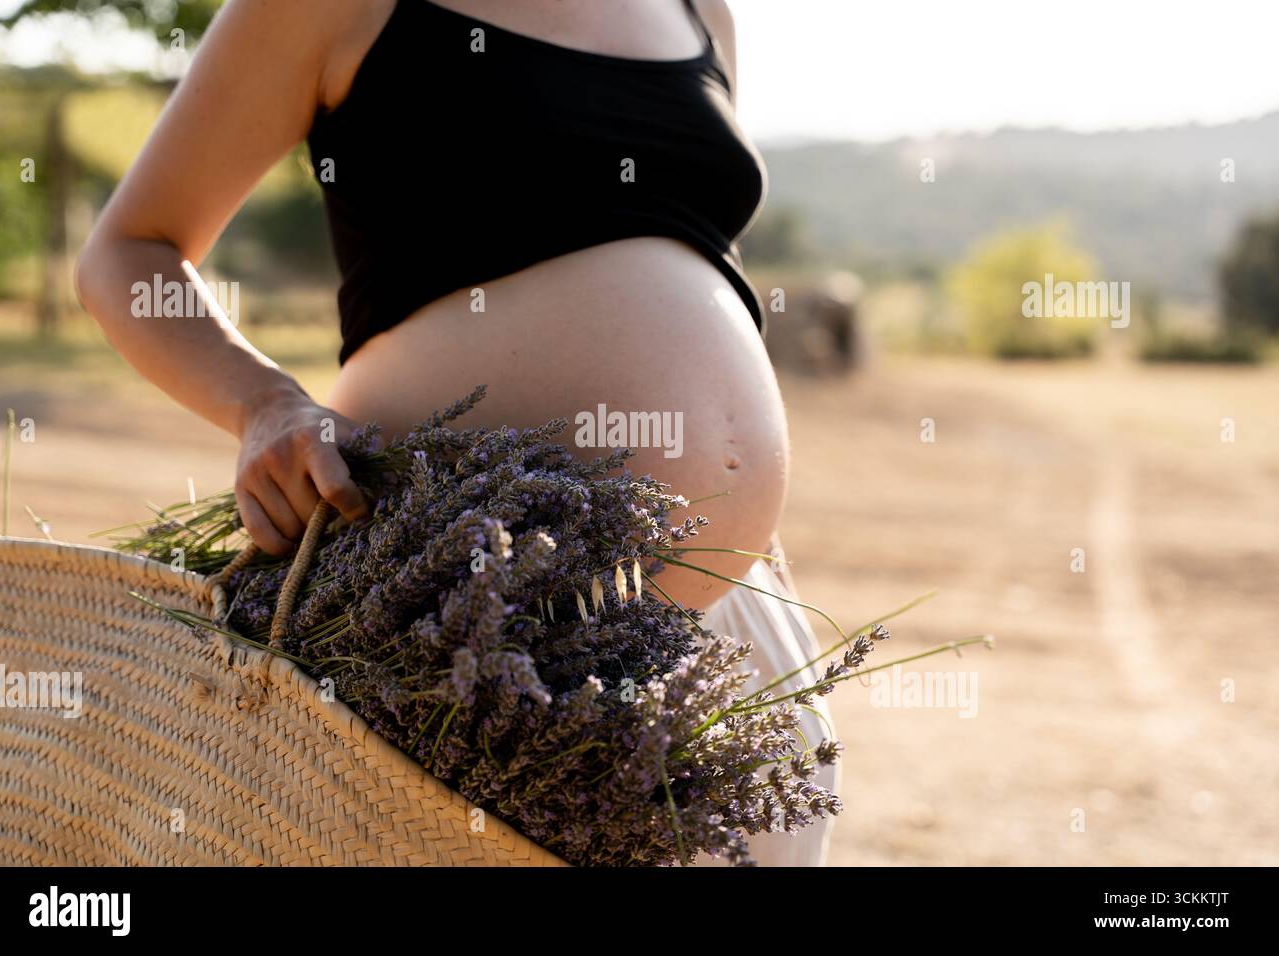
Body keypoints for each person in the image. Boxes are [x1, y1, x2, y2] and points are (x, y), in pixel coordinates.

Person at [75, 0, 836, 865]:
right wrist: (266, 405)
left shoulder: (699, 10)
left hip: (715, 629)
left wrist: (733, 499)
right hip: (447, 619)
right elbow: (128, 251)